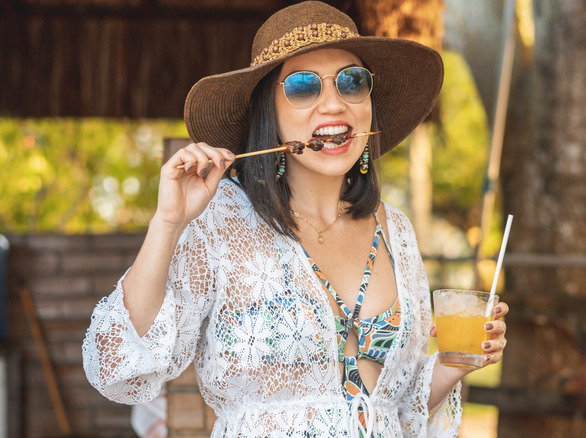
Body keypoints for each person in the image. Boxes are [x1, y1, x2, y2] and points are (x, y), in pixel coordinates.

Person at [82, 2, 509, 437]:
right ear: (269, 111)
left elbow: (392, 405)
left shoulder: (394, 228)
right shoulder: (220, 222)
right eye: (303, 87)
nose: (334, 104)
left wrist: (456, 361)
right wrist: (167, 222)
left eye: (352, 82)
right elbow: (119, 367)